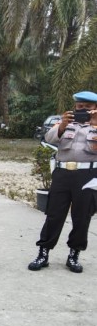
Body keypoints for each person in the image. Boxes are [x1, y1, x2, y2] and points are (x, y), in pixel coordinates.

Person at [28, 91, 97, 273]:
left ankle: (74, 255)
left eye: (88, 108)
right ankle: (43, 253)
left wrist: (95, 124)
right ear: (75, 107)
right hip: (62, 173)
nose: (83, 110)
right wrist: (62, 126)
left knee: (82, 217)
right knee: (54, 214)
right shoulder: (64, 123)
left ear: (95, 109)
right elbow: (48, 139)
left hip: (87, 176)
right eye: (80, 107)